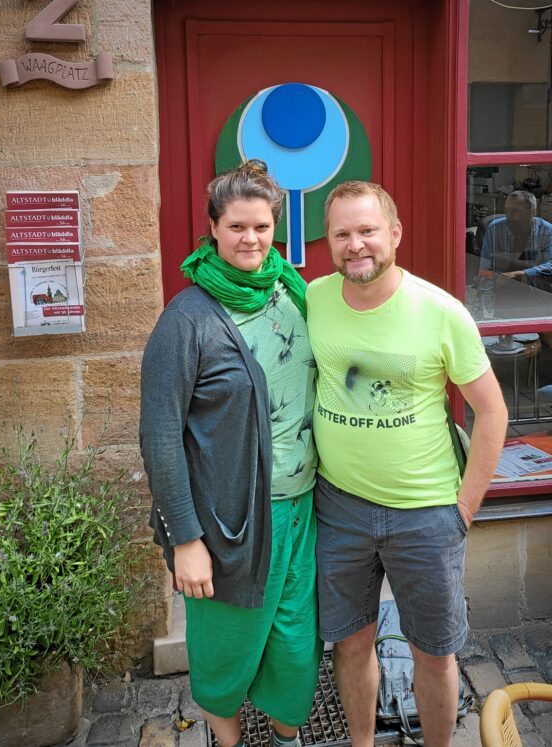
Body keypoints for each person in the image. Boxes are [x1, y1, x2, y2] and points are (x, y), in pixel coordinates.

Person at [306, 181, 508, 747]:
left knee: (435, 652)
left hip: (426, 514)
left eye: (368, 230)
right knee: (350, 643)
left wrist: (462, 510)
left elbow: (492, 413)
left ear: (393, 234)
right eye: (342, 233)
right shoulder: (313, 299)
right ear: (329, 241)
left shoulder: (441, 312)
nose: (356, 245)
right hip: (339, 506)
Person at [139, 160, 321, 747]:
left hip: (302, 513)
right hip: (230, 526)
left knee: (295, 647)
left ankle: (288, 736)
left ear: (277, 230)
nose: (251, 239)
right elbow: (160, 435)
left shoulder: (293, 295)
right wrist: (185, 539)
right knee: (226, 653)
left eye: (262, 227)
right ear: (213, 229)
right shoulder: (186, 320)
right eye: (237, 226)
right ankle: (228, 738)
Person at [479, 190, 552, 288]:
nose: (509, 216)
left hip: (534, 287)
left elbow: (550, 264)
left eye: (515, 211)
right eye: (507, 210)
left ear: (533, 211)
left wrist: (521, 274)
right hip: (501, 286)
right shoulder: (495, 229)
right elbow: (485, 266)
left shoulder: (547, 231)